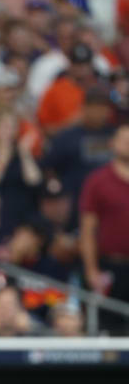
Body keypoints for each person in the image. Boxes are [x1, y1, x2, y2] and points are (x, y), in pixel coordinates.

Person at [78, 123, 129, 334]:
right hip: (111, 265)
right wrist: (91, 270)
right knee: (108, 329)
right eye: (124, 139)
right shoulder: (98, 181)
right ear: (112, 144)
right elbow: (87, 230)